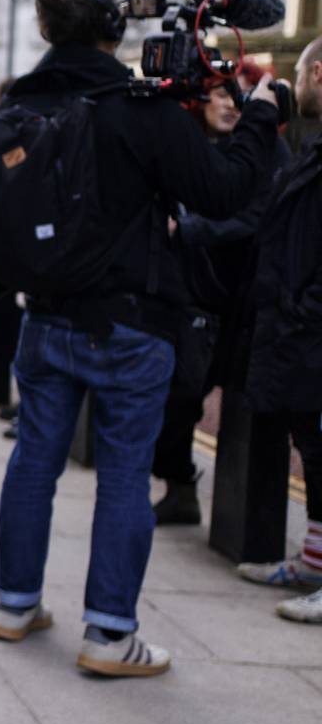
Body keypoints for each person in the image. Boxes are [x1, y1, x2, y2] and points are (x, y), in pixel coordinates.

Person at [0, 0, 281, 677]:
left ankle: (15, 604)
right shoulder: (136, 105)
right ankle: (110, 632)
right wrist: (263, 111)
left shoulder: (19, 101)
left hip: (43, 316)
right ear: (113, 28)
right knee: (123, 474)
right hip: (130, 321)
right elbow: (223, 188)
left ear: (44, 26)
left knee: (34, 461)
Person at [148, 83, 287, 524]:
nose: (230, 105)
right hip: (195, 297)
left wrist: (188, 231)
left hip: (246, 299)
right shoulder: (188, 144)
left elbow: (257, 218)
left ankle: (241, 518)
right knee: (175, 399)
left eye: (239, 98)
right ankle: (180, 486)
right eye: (221, 96)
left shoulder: (270, 149)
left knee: (233, 401)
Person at [233, 33, 322, 622]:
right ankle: (315, 560)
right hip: (300, 328)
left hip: (311, 324)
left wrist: (303, 310)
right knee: (312, 446)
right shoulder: (313, 148)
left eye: (306, 73)